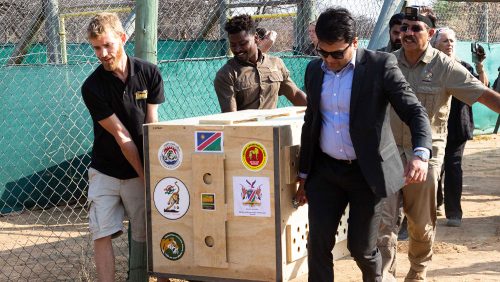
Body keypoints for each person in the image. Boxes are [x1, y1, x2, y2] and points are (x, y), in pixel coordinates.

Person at [293, 7, 432, 281]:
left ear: (354, 43)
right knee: (318, 245)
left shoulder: (380, 66)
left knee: (362, 248)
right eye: (323, 52)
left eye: (337, 54)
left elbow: (414, 111)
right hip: (325, 172)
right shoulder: (314, 70)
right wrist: (304, 174)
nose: (329, 60)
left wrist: (420, 153)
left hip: (367, 174)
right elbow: (311, 123)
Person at [381, 6, 500, 281]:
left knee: (420, 225)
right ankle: (384, 276)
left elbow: (483, 95)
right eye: (404, 29)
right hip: (387, 152)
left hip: (424, 156)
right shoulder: (386, 63)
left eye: (415, 28)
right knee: (383, 223)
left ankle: (418, 271)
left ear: (430, 33)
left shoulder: (445, 67)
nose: (407, 34)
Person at [81, 13, 166, 282]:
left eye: (107, 45)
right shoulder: (92, 86)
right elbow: (121, 135)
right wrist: (146, 177)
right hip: (106, 169)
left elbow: (152, 126)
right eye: (96, 47)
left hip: (141, 166)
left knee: (148, 232)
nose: (102, 53)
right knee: (101, 232)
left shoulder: (149, 73)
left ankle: (161, 276)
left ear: (122, 38)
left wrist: (153, 176)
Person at [431, 27, 489, 226]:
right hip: (433, 126)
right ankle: (437, 201)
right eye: (445, 41)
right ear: (434, 44)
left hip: (457, 125)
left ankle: (454, 212)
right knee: (434, 168)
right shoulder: (429, 67)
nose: (449, 44)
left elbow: (482, 90)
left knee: (453, 167)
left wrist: (479, 66)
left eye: (452, 41)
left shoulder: (463, 67)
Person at [214, 14, 307, 112]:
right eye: (233, 45)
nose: (238, 49)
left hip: (273, 126)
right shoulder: (227, 74)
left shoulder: (276, 64)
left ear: (256, 38)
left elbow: (295, 94)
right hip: (245, 127)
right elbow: (230, 117)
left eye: (243, 43)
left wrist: (316, 114)